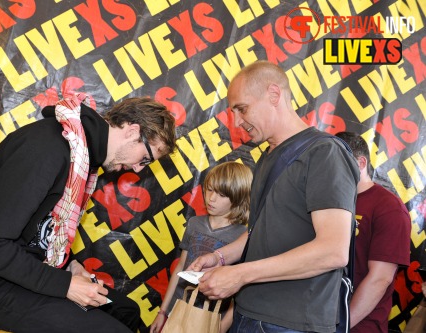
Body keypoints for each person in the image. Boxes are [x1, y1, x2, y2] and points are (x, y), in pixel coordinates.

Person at [0, 94, 177, 333]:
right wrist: (65, 285)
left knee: (126, 310)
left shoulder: (82, 156)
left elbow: (40, 228)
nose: (137, 169)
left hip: (17, 271)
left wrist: (70, 265)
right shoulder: (48, 147)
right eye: (144, 159)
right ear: (133, 130)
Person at [187, 60, 360, 333]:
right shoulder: (269, 156)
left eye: (242, 109)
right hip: (251, 312)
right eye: (233, 112)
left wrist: (240, 274)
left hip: (290, 323)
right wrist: (221, 257)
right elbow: (260, 231)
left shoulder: (324, 153)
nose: (237, 122)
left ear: (274, 95)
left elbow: (333, 251)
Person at [150, 161, 253, 333]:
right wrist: (162, 311)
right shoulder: (194, 223)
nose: (211, 198)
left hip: (209, 320)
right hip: (177, 310)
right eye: (210, 189)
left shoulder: (242, 237)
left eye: (221, 194)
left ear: (238, 197)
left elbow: (238, 296)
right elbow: (180, 269)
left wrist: (220, 328)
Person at [335, 131, 411, 332]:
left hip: (360, 326)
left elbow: (380, 278)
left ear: (360, 163)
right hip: (317, 318)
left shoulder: (388, 207)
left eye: (337, 164)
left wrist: (341, 326)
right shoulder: (328, 201)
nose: (330, 170)